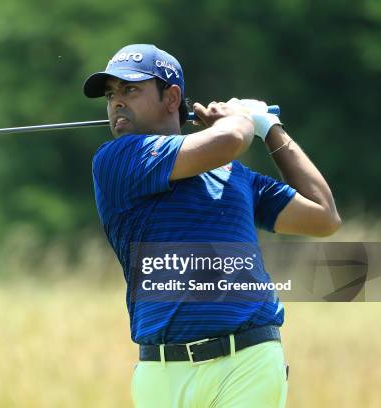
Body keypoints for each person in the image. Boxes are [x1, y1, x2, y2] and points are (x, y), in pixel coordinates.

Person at [83, 44, 341, 408]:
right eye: (111, 95)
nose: (116, 103)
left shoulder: (236, 176)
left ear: (172, 98)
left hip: (248, 361)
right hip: (162, 370)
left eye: (130, 89)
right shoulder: (117, 159)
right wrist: (241, 118)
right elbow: (231, 139)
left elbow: (323, 216)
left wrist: (271, 130)